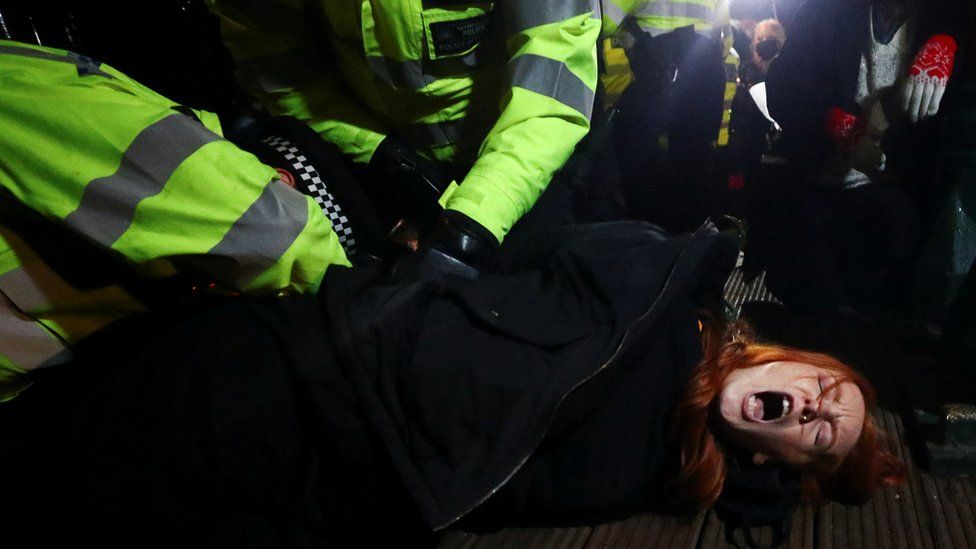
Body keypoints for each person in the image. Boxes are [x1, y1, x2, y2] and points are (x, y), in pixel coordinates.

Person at [2, 216, 904, 547]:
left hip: (345, 502)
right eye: (823, 388)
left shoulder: (673, 478)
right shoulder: (662, 286)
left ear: (783, 456)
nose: (814, 406)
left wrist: (773, 483)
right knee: (57, 482)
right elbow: (531, 249)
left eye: (818, 428)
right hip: (320, 376)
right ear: (780, 356)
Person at [0, 39, 356, 400]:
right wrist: (360, 299)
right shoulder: (158, 155)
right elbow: (279, 235)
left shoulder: (162, 218)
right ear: (282, 180)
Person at [206, 0, 602, 270]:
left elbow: (556, 64)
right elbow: (277, 68)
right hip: (377, 167)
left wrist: (478, 217)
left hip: (525, 162)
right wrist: (382, 155)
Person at [759, 0, 965, 314]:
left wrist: (948, 43)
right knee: (798, 240)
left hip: (893, 185)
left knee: (886, 228)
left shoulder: (946, 15)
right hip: (818, 174)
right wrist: (833, 124)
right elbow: (784, 88)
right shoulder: (826, 11)